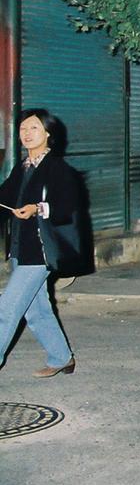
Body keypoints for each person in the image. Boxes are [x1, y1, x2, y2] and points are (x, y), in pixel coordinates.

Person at [0, 109, 81, 377]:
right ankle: (61, 358)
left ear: (48, 134)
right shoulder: (21, 168)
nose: (26, 133)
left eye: (33, 128)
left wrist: (38, 208)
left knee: (7, 307)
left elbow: (69, 206)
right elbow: (6, 200)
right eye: (23, 128)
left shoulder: (58, 168)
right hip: (19, 248)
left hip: (41, 248)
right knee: (37, 309)